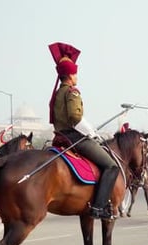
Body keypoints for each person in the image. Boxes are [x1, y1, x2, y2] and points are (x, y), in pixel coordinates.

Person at [48, 42, 119, 220]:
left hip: (60, 136)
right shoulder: (72, 92)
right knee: (111, 166)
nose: (77, 76)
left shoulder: (57, 93)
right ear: (71, 75)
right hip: (74, 137)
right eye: (76, 73)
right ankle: (99, 207)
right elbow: (75, 118)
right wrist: (92, 133)